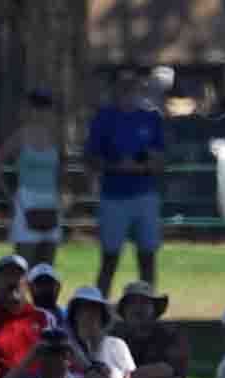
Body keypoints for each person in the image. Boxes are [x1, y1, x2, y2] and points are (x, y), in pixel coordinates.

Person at [85, 68, 165, 295]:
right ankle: (100, 307)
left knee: (147, 257)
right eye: (124, 86)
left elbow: (160, 159)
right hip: (113, 196)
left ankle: (149, 304)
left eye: (134, 86)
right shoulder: (104, 118)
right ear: (116, 89)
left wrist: (145, 164)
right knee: (109, 258)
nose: (129, 91)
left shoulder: (151, 118)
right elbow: (91, 158)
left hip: (144, 195)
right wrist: (116, 165)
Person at [0, 87, 66, 266]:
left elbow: (62, 171)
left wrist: (63, 196)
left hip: (50, 203)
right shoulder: (20, 136)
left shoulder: (56, 138)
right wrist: (10, 198)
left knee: (47, 268)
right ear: (29, 109)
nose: (41, 111)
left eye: (45, 106)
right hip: (27, 201)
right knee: (24, 265)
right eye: (36, 106)